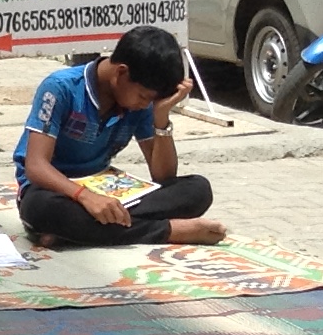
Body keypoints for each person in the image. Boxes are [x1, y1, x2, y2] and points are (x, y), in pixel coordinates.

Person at [12, 26, 226, 247]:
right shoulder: (60, 87)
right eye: (143, 97)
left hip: (108, 192)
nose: (144, 104)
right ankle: (169, 231)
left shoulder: (142, 106)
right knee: (40, 209)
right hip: (57, 192)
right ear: (121, 73)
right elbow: (36, 166)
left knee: (198, 190)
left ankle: (80, 233)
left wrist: (160, 117)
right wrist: (85, 197)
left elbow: (164, 177)